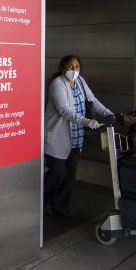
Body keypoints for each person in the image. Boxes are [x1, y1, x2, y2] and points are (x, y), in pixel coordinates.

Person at [44, 55, 114, 216]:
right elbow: (64, 110)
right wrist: (87, 121)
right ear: (63, 69)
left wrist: (109, 114)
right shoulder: (57, 84)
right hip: (57, 137)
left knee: (69, 175)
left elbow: (93, 100)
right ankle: (40, 201)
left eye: (76, 67)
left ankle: (60, 207)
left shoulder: (80, 82)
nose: (74, 70)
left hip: (75, 137)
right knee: (58, 174)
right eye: (70, 67)